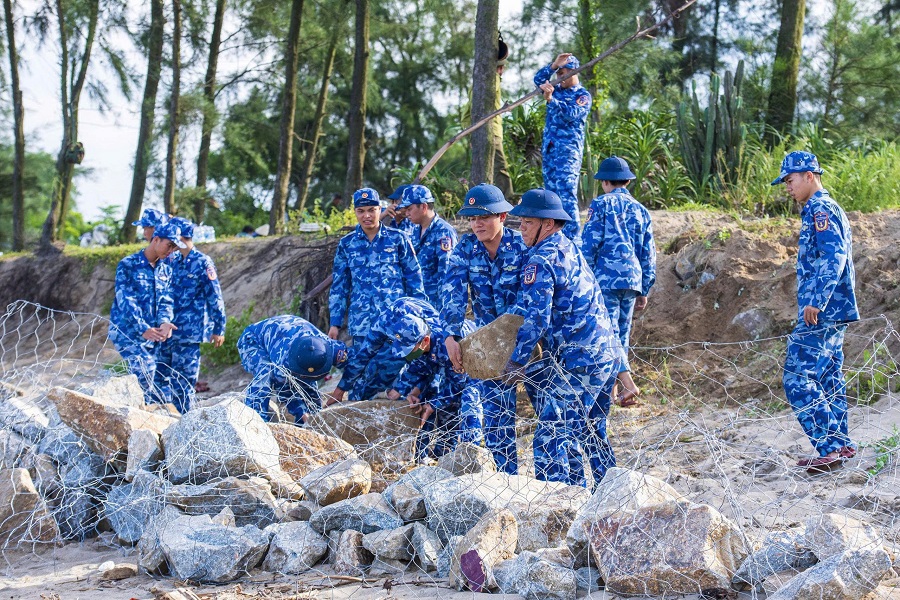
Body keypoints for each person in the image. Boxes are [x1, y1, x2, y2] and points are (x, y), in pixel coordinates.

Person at [503, 189, 621, 489]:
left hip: (578, 362)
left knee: (550, 437)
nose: (521, 229)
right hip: (604, 355)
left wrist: (516, 362)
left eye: (527, 222)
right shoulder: (569, 248)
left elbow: (536, 319)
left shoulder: (541, 260)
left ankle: (559, 511)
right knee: (591, 431)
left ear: (549, 223)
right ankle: (610, 498)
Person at [772, 150, 859, 474]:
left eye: (790, 180)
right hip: (834, 308)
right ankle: (841, 444)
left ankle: (830, 448)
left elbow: (833, 257)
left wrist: (817, 300)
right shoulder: (825, 207)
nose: (787, 187)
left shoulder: (820, 208)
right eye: (784, 182)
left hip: (821, 310)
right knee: (827, 376)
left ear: (810, 176)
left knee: (796, 378)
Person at [442, 183, 529, 473]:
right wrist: (451, 335)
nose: (476, 224)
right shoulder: (465, 247)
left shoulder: (523, 246)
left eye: (483, 217)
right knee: (496, 420)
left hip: (531, 343)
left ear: (502, 217)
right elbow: (453, 291)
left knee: (550, 416)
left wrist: (526, 348)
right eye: (472, 218)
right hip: (491, 344)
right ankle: (507, 484)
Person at [331, 296, 475, 459]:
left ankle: (463, 454)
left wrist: (434, 404)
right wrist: (407, 391)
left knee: (463, 403)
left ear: (424, 341)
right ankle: (425, 453)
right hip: (432, 350)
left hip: (472, 362)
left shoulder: (448, 345)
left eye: (409, 349)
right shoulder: (393, 327)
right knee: (420, 396)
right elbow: (418, 367)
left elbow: (457, 385)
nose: (407, 354)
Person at [581, 156, 656, 407]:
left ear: (604, 182)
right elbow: (648, 253)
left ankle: (627, 384)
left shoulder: (600, 206)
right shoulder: (641, 210)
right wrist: (645, 288)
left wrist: (584, 280)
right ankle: (614, 394)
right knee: (621, 336)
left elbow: (589, 245)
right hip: (632, 280)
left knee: (607, 335)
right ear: (627, 181)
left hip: (606, 280)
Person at [328, 187, 426, 345]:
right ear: (355, 212)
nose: (366, 216)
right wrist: (335, 323)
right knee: (363, 369)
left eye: (371, 210)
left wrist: (419, 316)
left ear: (380, 209)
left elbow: (414, 279)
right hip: (362, 326)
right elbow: (340, 286)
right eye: (361, 211)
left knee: (396, 369)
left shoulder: (398, 239)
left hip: (395, 325)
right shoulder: (347, 244)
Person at [153, 217, 227, 413]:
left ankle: (185, 423)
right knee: (159, 377)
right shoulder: (171, 260)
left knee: (183, 382)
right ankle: (161, 417)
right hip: (167, 332)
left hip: (189, 334)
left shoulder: (203, 262)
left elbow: (214, 297)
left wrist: (219, 328)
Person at [108, 222, 184, 404]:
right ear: (156, 240)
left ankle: (150, 416)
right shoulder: (128, 265)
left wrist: (165, 322)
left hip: (153, 335)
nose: (171, 251)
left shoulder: (165, 269)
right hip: (128, 331)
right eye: (169, 245)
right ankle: (136, 413)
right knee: (145, 370)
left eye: (174, 247)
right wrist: (142, 328)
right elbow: (125, 300)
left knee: (160, 380)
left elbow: (166, 299)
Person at [238, 315, 349, 424]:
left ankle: (306, 422)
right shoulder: (282, 363)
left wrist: (340, 390)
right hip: (252, 340)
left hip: (287, 332)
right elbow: (285, 391)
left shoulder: (331, 348)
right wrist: (301, 413)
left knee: (312, 400)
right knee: (266, 372)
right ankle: (255, 419)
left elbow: (354, 365)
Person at [533, 53, 591, 240]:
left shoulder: (582, 95)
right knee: (551, 197)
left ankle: (573, 239)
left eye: (563, 73)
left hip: (567, 153)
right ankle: (553, 237)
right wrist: (553, 66)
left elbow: (571, 114)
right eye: (558, 74)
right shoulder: (556, 90)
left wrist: (551, 100)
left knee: (566, 195)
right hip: (550, 151)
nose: (559, 78)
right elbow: (538, 80)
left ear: (573, 72)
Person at [461, 36, 514, 199]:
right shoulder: (488, 81)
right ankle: (507, 198)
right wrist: (470, 133)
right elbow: (468, 111)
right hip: (490, 132)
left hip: (491, 130)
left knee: (494, 168)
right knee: (500, 167)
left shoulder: (489, 81)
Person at [398, 184, 458, 311]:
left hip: (436, 304)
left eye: (409, 209)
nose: (407, 213)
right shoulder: (414, 229)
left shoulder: (444, 232)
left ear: (424, 206)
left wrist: (444, 309)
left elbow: (447, 272)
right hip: (417, 301)